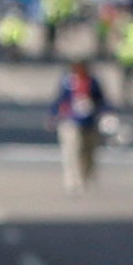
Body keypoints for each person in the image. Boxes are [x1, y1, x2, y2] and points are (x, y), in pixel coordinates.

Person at [50, 59, 108, 192]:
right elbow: (59, 100)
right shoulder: (67, 83)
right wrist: (54, 116)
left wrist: (105, 114)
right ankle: (73, 180)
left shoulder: (92, 83)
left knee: (88, 152)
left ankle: (86, 175)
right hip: (70, 121)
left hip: (90, 122)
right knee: (72, 151)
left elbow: (101, 101)